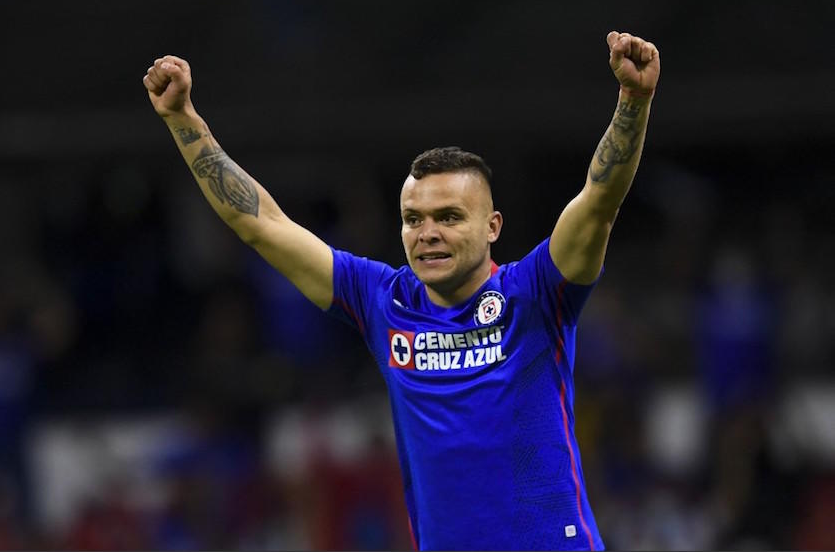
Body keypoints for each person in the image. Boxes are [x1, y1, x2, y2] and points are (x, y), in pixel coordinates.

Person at [143, 30, 660, 551]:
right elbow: (262, 224)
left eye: (449, 217)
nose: (427, 233)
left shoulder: (536, 293)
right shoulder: (383, 301)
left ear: (492, 227)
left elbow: (599, 201)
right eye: (413, 219)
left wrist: (633, 101)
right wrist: (184, 119)